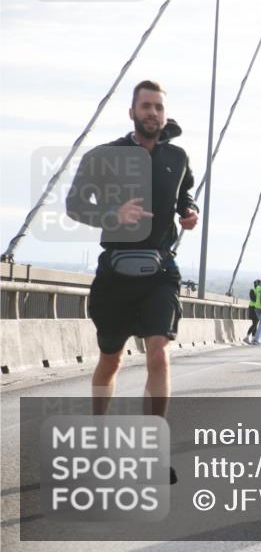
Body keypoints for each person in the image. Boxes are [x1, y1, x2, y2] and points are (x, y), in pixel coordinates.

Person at [66, 79, 199, 486]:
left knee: (158, 353)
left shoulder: (177, 156)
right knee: (110, 360)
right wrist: (112, 213)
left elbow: (185, 197)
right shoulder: (105, 156)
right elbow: (74, 205)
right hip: (116, 274)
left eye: (159, 107)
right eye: (146, 106)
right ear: (132, 112)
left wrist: (190, 213)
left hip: (159, 271)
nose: (153, 113)